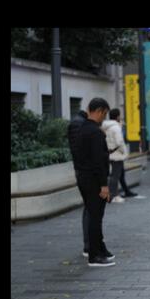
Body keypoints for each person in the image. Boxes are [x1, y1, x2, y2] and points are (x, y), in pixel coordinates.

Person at [76, 98, 116, 267]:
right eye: (104, 114)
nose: (104, 118)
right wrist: (104, 185)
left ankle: (100, 248)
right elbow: (98, 161)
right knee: (95, 216)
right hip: (93, 180)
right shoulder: (95, 132)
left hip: (84, 178)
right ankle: (95, 255)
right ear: (98, 111)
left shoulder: (82, 129)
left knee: (95, 215)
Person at [67, 109, 91, 257]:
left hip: (83, 170)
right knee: (90, 208)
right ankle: (89, 246)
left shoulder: (78, 123)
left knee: (90, 208)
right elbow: (80, 150)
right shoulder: (78, 125)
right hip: (85, 172)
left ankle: (90, 244)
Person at [102, 109, 128, 204]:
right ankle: (114, 195)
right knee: (115, 176)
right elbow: (119, 142)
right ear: (117, 116)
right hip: (117, 155)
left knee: (116, 175)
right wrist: (123, 151)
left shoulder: (106, 127)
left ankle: (115, 194)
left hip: (109, 153)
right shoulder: (116, 128)